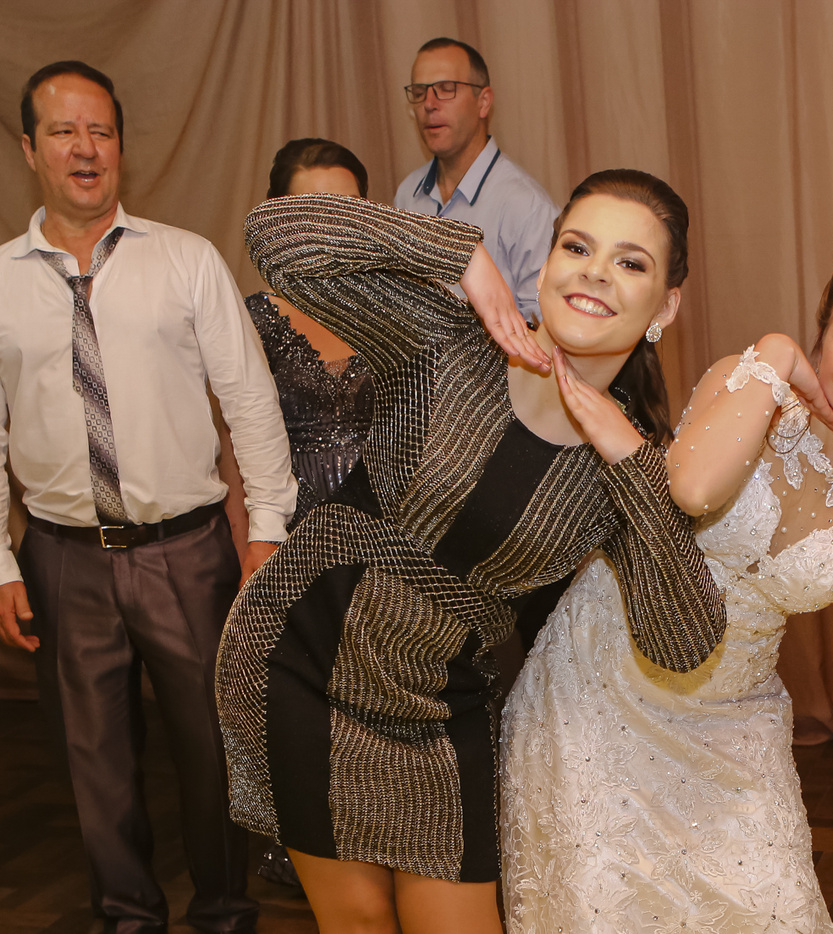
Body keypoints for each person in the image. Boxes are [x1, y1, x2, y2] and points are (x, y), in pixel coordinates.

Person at [216, 169, 726, 934]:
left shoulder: (625, 468)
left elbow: (682, 642)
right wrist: (456, 252)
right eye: (577, 247)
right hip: (305, 660)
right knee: (356, 923)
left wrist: (633, 463)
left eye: (630, 262)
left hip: (439, 706)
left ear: (666, 307)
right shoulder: (448, 339)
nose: (595, 271)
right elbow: (274, 237)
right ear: (545, 265)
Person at [501, 215, 833, 933]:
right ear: (821, 334)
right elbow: (692, 489)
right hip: (599, 694)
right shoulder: (751, 384)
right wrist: (775, 354)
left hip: (735, 729)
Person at [0, 61, 296, 934]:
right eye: (64, 131)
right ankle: (127, 915)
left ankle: (225, 910)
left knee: (213, 748)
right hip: (62, 558)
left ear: (120, 146)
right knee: (93, 761)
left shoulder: (185, 259)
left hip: (186, 551)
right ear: (31, 150)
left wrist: (268, 527)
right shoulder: (1, 281)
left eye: (101, 131)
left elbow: (250, 400)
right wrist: (0, 567)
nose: (86, 148)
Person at [218, 137, 376, 892]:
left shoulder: (398, 308)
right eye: (309, 208)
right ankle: (310, 840)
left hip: (389, 527)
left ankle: (392, 830)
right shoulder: (248, 317)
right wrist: (252, 539)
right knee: (306, 693)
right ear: (277, 217)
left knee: (382, 688)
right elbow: (233, 443)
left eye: (344, 207)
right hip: (293, 531)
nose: (327, 223)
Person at [395, 36, 557, 324]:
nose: (429, 104)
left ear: (483, 103)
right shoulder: (408, 194)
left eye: (446, 89)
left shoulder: (528, 206)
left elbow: (543, 326)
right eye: (419, 92)